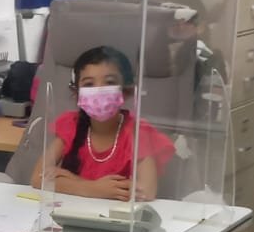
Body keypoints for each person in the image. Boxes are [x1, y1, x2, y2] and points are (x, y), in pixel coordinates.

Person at [31, 45, 175, 201]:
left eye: (109, 82)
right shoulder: (71, 125)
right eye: (89, 84)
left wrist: (72, 181)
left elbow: (146, 191)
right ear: (76, 93)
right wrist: (92, 188)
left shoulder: (138, 132)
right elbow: (38, 178)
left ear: (126, 91)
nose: (99, 90)